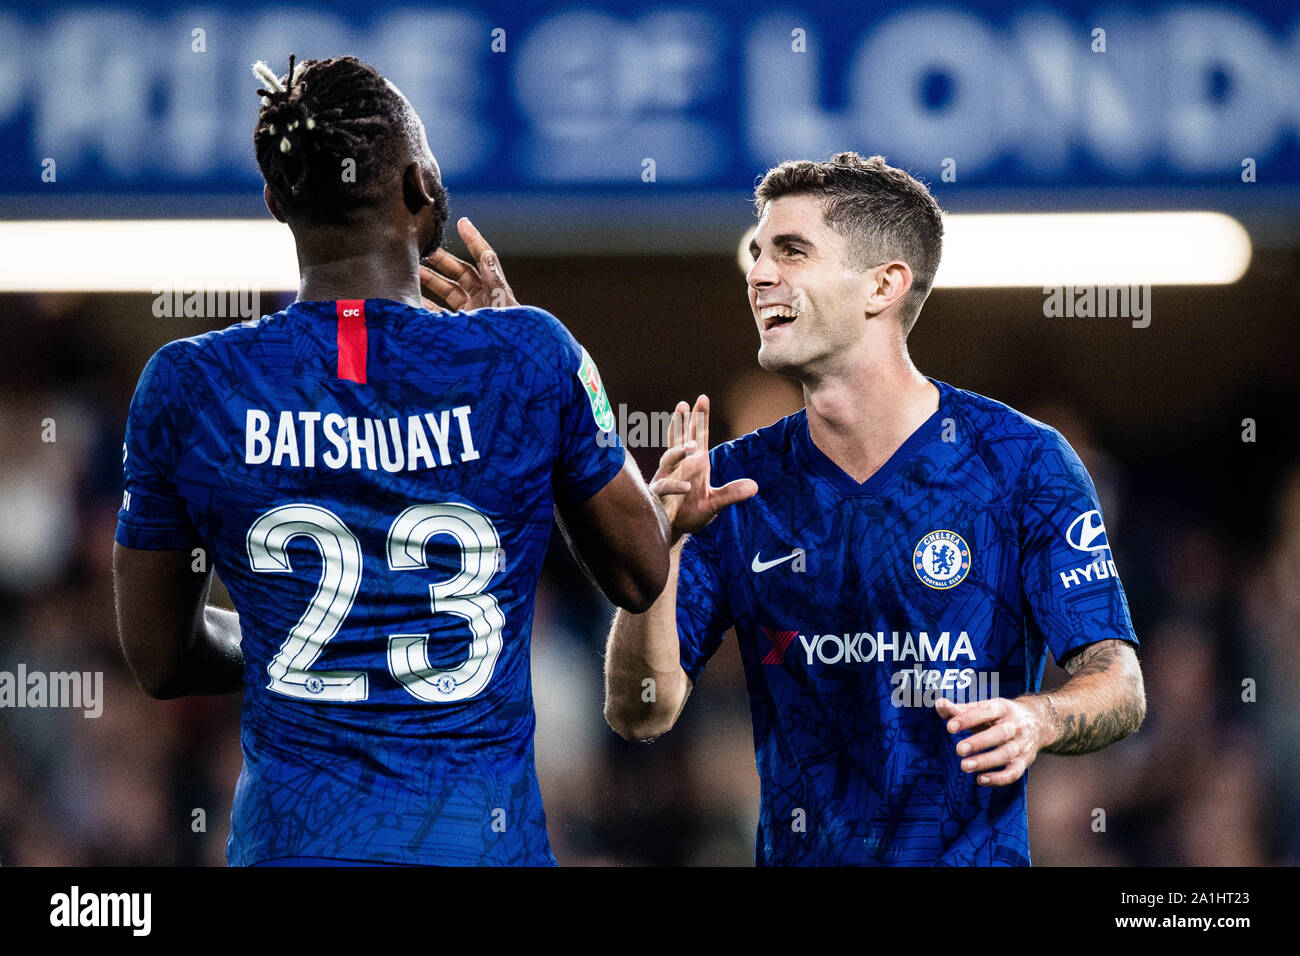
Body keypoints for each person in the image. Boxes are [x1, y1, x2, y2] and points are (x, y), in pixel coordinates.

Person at [112, 55, 671, 866]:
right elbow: (640, 570)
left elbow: (160, 658)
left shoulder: (188, 384)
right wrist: (520, 354)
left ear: (275, 202)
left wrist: (286, 643)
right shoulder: (527, 357)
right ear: (422, 187)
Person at [603, 152, 1147, 865]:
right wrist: (660, 552)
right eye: (758, 252)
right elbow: (641, 710)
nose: (759, 273)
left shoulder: (1023, 464)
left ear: (883, 285)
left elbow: (1122, 685)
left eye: (792, 252)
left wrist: (1037, 716)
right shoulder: (730, 486)